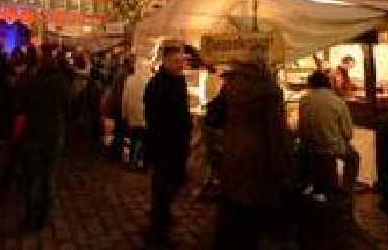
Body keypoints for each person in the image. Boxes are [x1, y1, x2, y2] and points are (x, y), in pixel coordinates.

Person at [212, 62, 296, 250]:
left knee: (232, 205)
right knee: (252, 210)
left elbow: (214, 117)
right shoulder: (270, 90)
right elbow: (276, 132)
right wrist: (283, 166)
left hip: (233, 150)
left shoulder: (231, 84)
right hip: (258, 157)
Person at [13, 50, 69, 232]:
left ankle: (32, 218)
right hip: (54, 134)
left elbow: (21, 108)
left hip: (34, 134)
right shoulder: (61, 84)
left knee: (34, 177)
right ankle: (46, 215)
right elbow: (68, 108)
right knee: (49, 176)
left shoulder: (31, 83)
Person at [143, 46, 192, 246]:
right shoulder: (159, 84)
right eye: (177, 61)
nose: (182, 64)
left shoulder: (175, 82)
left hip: (172, 143)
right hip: (166, 144)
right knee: (165, 185)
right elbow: (157, 115)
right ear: (166, 61)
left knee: (169, 184)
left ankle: (160, 220)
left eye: (182, 61)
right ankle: (158, 231)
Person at [299, 71, 358, 204]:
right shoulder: (337, 101)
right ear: (328, 84)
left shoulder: (303, 100)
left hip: (308, 147)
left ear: (310, 84)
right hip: (331, 147)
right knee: (354, 158)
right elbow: (348, 133)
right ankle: (347, 191)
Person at [121, 59, 151, 168]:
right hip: (144, 116)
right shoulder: (148, 81)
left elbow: (125, 98)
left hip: (132, 115)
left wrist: (124, 113)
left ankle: (130, 161)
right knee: (143, 140)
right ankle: (140, 163)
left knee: (132, 139)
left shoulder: (129, 79)